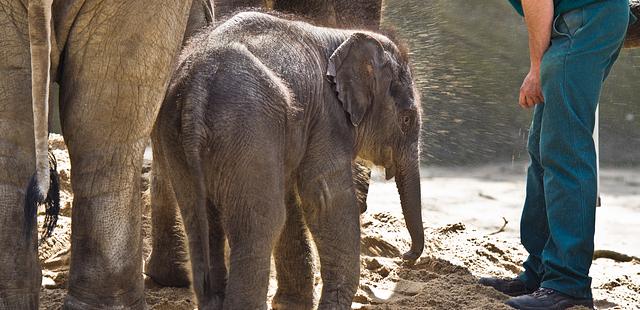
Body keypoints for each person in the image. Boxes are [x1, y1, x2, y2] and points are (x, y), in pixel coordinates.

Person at [478, 0, 635, 309]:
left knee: (565, 151)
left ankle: (567, 283)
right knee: (543, 147)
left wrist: (537, 69)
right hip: (584, 19)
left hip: (586, 20)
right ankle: (540, 271)